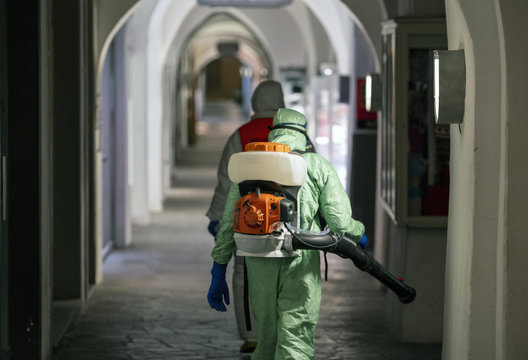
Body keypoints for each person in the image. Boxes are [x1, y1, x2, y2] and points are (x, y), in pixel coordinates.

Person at [207, 108, 365, 359]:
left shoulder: (250, 165)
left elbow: (229, 223)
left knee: (266, 338)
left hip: (259, 260)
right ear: (304, 134)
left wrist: (218, 270)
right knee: (295, 338)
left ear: (273, 133)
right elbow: (340, 223)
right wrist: (359, 233)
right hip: (301, 260)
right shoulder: (316, 164)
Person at [206, 80, 286, 353]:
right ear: (281, 102)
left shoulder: (241, 135)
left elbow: (226, 181)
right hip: (288, 221)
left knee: (245, 277)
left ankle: (251, 335)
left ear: (254, 102)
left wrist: (217, 217)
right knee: (287, 279)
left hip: (248, 220)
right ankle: (282, 334)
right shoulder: (295, 135)